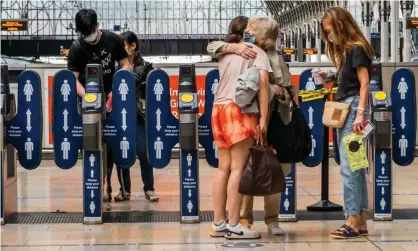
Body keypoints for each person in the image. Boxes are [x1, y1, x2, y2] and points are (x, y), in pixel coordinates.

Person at [207, 16, 294, 236]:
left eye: (251, 28)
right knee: (238, 168)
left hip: (218, 110)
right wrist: (263, 119)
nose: (248, 29)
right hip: (239, 113)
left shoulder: (229, 51)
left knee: (223, 169)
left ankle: (218, 222)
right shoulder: (258, 54)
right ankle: (235, 224)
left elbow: (213, 49)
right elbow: (264, 85)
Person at [320, 6, 373, 239]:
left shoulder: (357, 49)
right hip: (350, 108)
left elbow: (364, 83)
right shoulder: (349, 51)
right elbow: (351, 79)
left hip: (352, 110)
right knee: (357, 166)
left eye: (329, 30)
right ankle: (360, 220)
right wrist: (330, 77)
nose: (329, 36)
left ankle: (351, 220)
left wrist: (360, 114)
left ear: (340, 25)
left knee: (349, 167)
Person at [67, 9, 130, 202]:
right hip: (87, 103)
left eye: (90, 31)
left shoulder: (113, 40)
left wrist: (116, 89)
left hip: (112, 99)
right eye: (83, 34)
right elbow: (73, 78)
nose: (88, 37)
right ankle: (96, 182)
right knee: (91, 144)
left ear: (96, 26)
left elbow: (126, 65)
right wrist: (87, 96)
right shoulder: (76, 48)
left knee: (112, 142)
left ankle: (111, 183)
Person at [109, 31, 159, 202]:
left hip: (139, 117)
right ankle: (124, 189)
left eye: (124, 46)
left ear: (133, 46)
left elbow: (150, 93)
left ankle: (149, 188)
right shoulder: (115, 69)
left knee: (144, 152)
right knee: (121, 152)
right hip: (120, 117)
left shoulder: (146, 68)